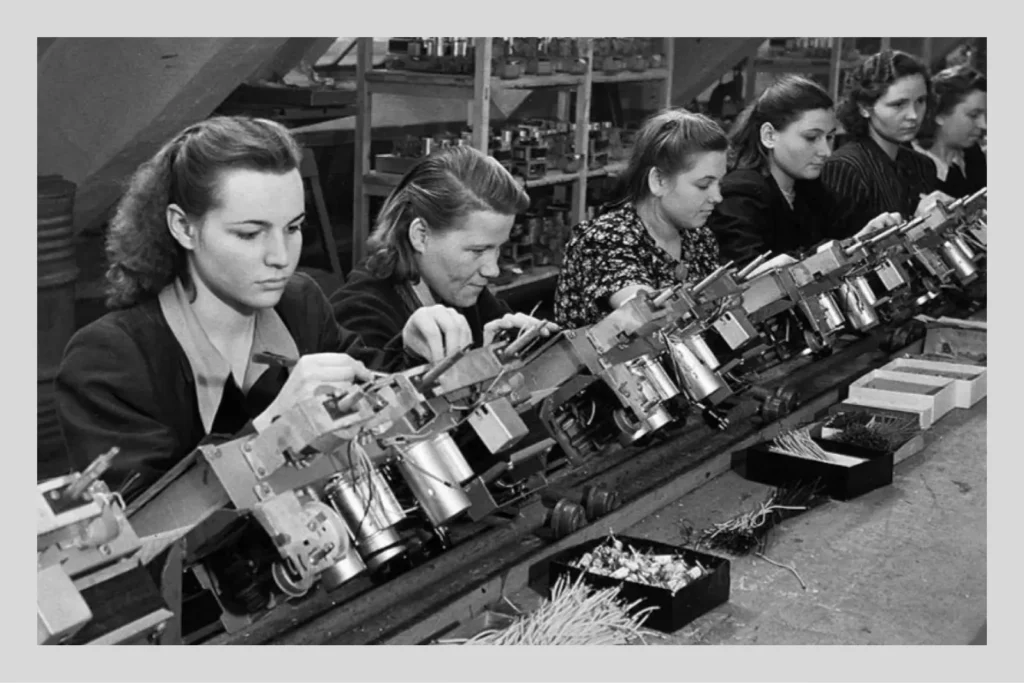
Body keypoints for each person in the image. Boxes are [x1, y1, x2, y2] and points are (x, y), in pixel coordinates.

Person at [54, 116, 456, 502]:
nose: (281, 257)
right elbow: (145, 526)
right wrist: (274, 431)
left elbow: (375, 394)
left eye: (293, 228)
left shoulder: (300, 306)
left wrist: (413, 355)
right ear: (183, 227)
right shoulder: (109, 361)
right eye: (249, 234)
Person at [330, 145, 557, 366]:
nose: (493, 270)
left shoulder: (460, 289)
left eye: (498, 249)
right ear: (421, 235)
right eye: (478, 251)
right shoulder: (359, 317)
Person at [554, 109, 728, 329]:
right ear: (659, 181)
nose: (717, 197)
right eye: (703, 185)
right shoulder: (603, 240)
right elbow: (641, 309)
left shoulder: (699, 238)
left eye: (719, 183)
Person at [708, 76, 903, 267]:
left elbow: (833, 244)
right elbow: (748, 274)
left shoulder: (811, 190)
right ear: (769, 135)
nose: (826, 152)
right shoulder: (739, 193)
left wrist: (864, 239)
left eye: (829, 137)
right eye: (811, 138)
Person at [820, 50, 954, 239]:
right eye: (898, 105)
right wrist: (915, 225)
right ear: (865, 107)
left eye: (921, 101)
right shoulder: (845, 167)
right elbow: (833, 250)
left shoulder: (923, 165)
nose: (913, 115)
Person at [913, 65, 987, 198]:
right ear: (940, 114)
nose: (984, 125)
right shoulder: (904, 169)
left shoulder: (973, 156)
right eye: (973, 115)